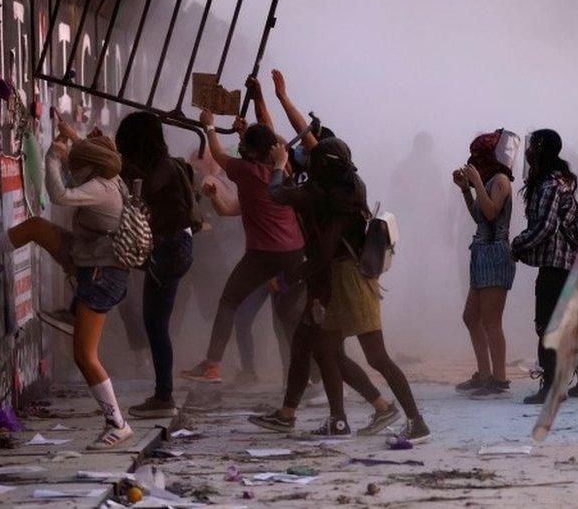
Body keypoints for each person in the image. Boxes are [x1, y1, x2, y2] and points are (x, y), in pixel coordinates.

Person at [0, 120, 133, 450]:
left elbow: (60, 195)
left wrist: (52, 156)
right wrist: (71, 138)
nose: (73, 169)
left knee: (84, 356)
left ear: (91, 167)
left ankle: (117, 423)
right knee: (35, 227)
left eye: (78, 166)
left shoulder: (100, 188)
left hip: (99, 273)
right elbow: (85, 157)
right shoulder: (109, 177)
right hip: (87, 258)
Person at [248, 70, 400, 436]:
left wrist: (291, 276)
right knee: (312, 345)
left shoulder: (322, 190)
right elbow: (278, 145)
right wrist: (269, 99)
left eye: (311, 151)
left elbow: (284, 165)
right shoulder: (325, 181)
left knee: (328, 350)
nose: (302, 152)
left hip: (328, 278)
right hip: (323, 274)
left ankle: (372, 408)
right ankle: (296, 413)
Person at [266, 136, 431, 441]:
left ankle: (415, 420)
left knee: (377, 357)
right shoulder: (350, 188)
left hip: (348, 281)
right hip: (350, 280)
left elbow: (323, 251)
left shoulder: (329, 199)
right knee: (326, 350)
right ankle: (339, 419)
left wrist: (278, 164)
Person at [179, 108, 306, 382]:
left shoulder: (244, 171)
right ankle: (299, 377)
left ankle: (213, 364)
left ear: (249, 152)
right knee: (288, 319)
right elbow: (231, 206)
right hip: (294, 253)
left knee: (229, 302)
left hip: (263, 255)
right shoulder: (283, 170)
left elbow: (219, 154)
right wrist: (243, 132)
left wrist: (210, 126)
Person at [112, 112, 196, 418]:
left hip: (171, 248)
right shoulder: (160, 164)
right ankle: (163, 395)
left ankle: (164, 396)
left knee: (155, 324)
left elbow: (146, 189)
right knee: (155, 324)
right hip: (172, 247)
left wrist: (114, 161)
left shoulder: (165, 166)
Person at [512, 128, 578, 404]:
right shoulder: (555, 181)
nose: (528, 153)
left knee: (547, 325)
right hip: (565, 264)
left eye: (532, 148)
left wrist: (517, 244)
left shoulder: (551, 185)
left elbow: (545, 227)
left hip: (559, 265)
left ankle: (552, 387)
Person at [453, 131, 517, 399]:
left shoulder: (500, 180)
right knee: (471, 317)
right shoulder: (490, 180)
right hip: (481, 251)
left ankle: (499, 379)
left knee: (492, 320)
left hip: (495, 253)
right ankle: (484, 373)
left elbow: (491, 213)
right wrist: (465, 190)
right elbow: (478, 216)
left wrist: (476, 181)